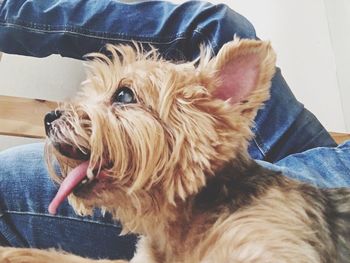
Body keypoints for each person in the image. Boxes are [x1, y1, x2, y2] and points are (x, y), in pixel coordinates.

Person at [0, 0, 349, 260]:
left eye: (123, 96)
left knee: (6, 179)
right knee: (217, 22)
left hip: (317, 186)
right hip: (327, 159)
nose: (63, 116)